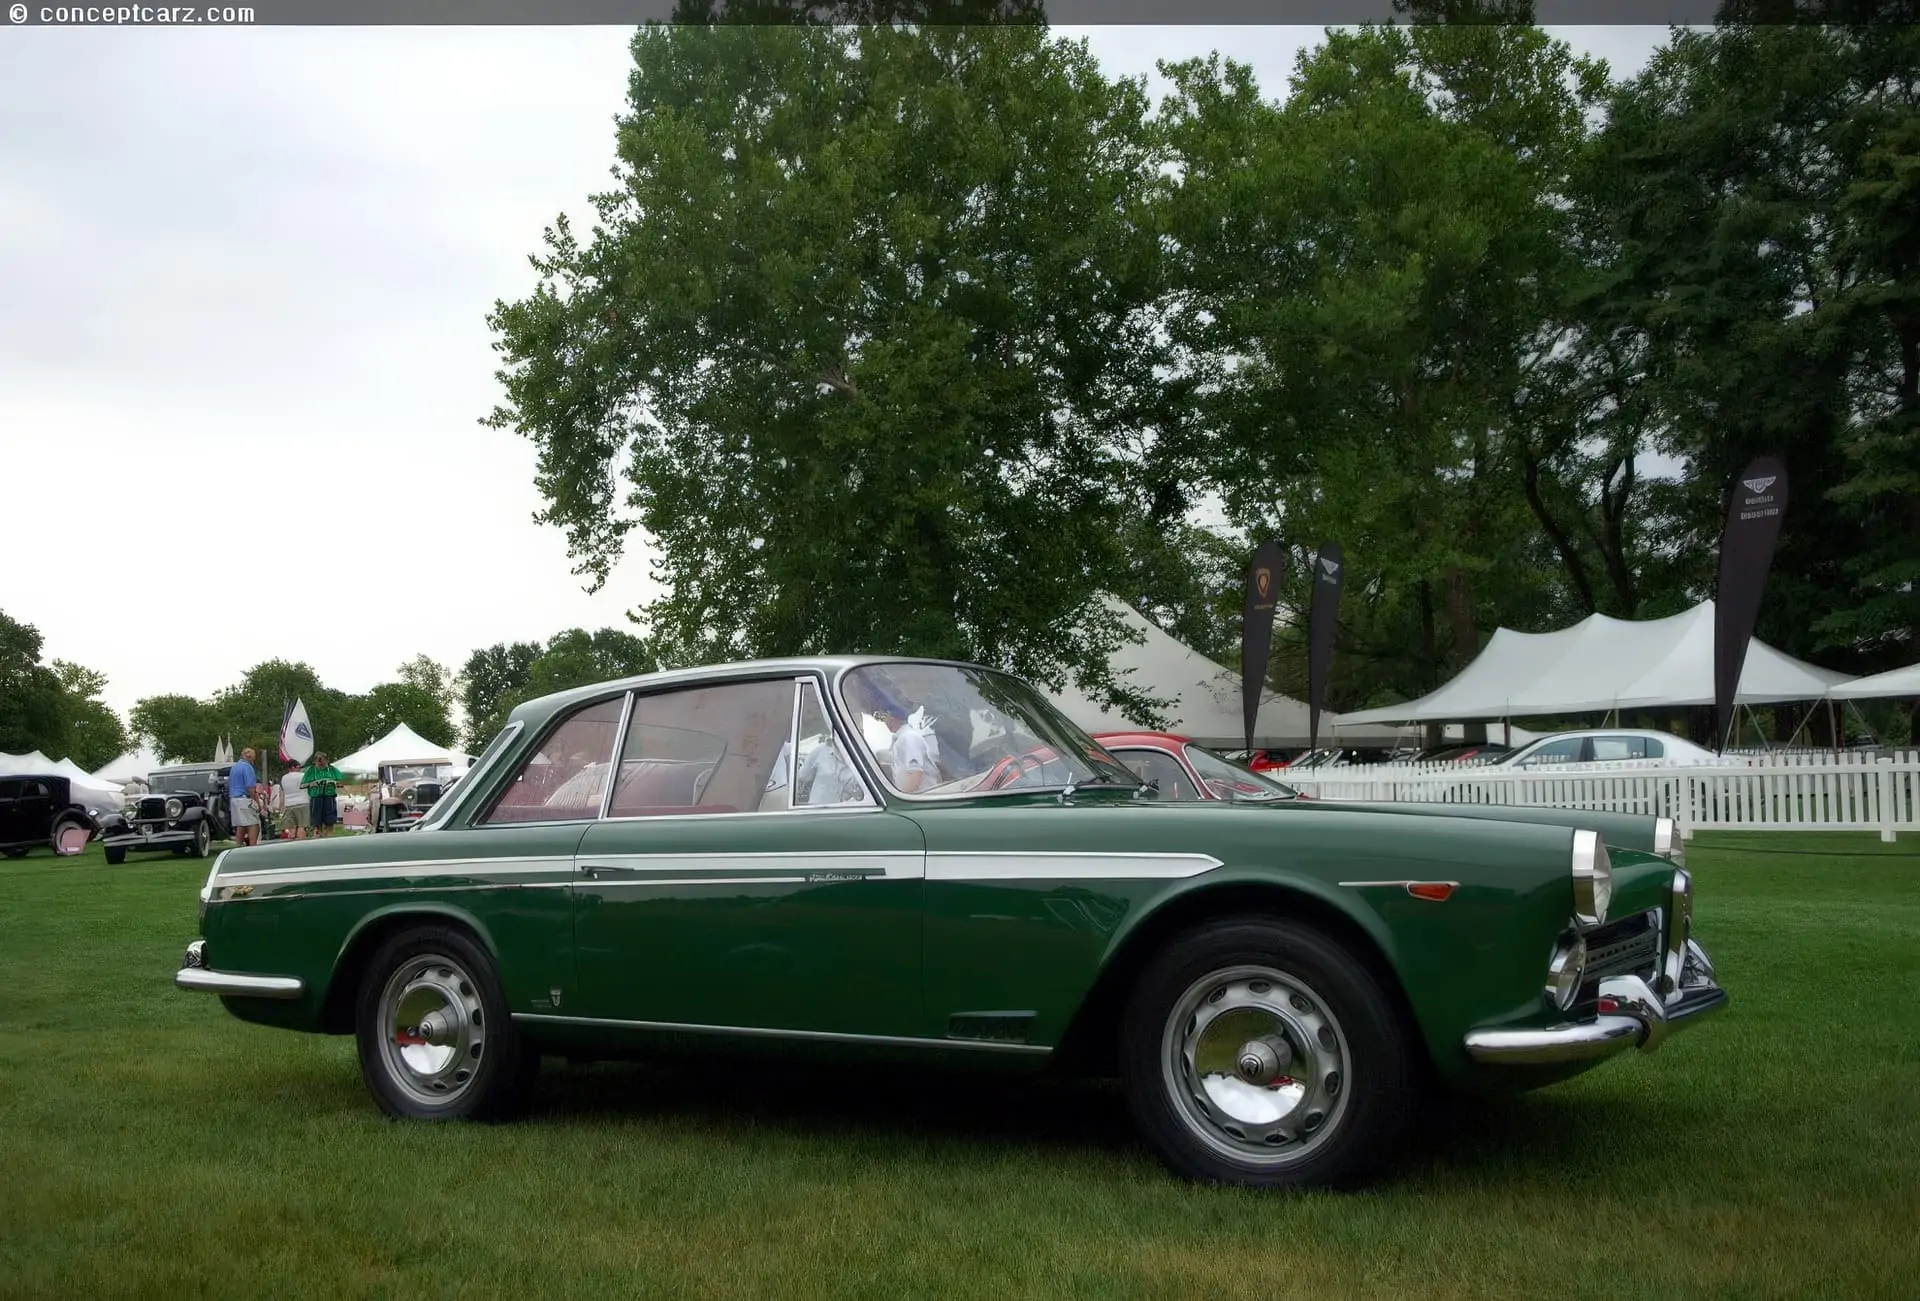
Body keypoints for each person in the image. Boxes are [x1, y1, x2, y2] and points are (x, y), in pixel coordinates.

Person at [849, 678, 941, 793]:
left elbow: (915, 774)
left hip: (920, 799)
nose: (882, 721)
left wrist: (904, 798)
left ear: (892, 715)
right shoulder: (901, 738)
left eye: (883, 716)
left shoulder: (909, 738)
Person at [304, 753, 345, 836]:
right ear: (315, 761)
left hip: (329, 797)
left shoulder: (332, 770)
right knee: (317, 822)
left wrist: (335, 782)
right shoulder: (311, 770)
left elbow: (341, 781)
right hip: (316, 798)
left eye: (323, 760)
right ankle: (318, 835)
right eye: (319, 761)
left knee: (330, 821)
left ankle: (329, 836)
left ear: (326, 760)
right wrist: (312, 783)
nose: (321, 763)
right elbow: (303, 785)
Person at [227, 746, 261, 847]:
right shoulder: (247, 767)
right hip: (244, 799)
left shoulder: (234, 767)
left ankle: (238, 845)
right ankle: (253, 846)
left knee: (240, 825)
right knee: (253, 823)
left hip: (234, 799)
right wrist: (257, 802)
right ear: (251, 758)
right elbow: (250, 787)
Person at [275, 760, 311, 840]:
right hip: (303, 803)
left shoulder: (284, 778)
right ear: (293, 767)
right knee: (302, 826)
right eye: (298, 766)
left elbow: (283, 792)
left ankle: (291, 844)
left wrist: (281, 807)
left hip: (289, 804)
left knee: (291, 828)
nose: (299, 768)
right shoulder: (303, 776)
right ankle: (301, 844)